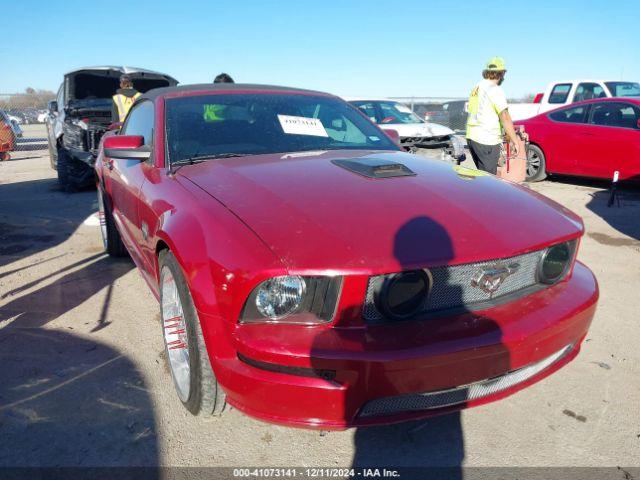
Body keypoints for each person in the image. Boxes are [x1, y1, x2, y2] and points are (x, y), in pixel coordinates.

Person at [466, 57, 519, 174]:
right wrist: (515, 141)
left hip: (472, 137)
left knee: (482, 177)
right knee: (489, 182)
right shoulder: (494, 89)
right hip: (486, 140)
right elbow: (504, 116)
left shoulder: (477, 87)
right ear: (502, 73)